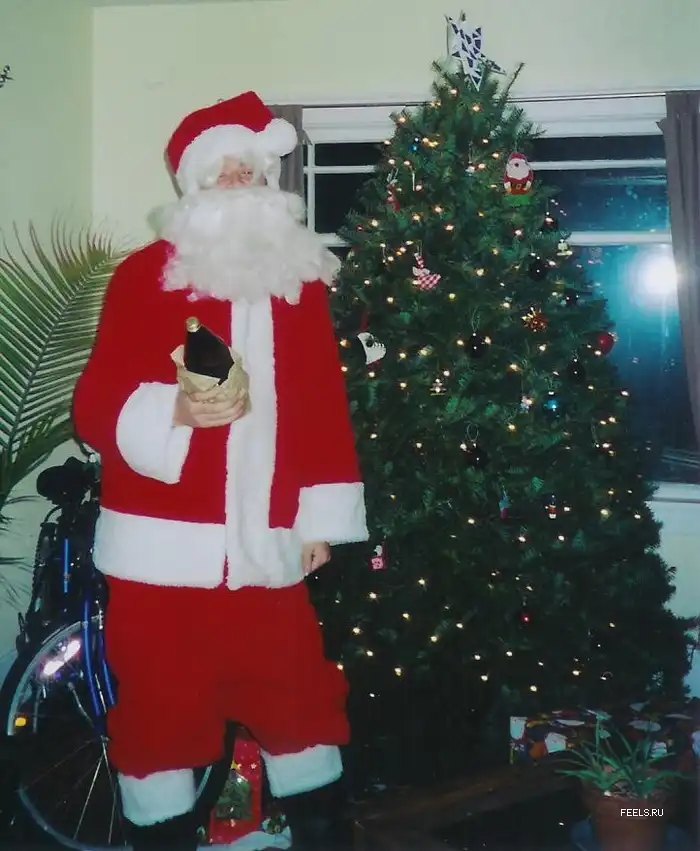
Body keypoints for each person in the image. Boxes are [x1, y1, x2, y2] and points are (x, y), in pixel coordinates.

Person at [72, 91, 368, 851]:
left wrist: (320, 521)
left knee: (300, 701)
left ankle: (323, 837)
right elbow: (95, 404)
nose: (240, 183)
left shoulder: (299, 285)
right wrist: (173, 411)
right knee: (160, 715)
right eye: (223, 172)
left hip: (270, 546)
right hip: (160, 558)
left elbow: (321, 406)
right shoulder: (143, 277)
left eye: (250, 170)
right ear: (192, 189)